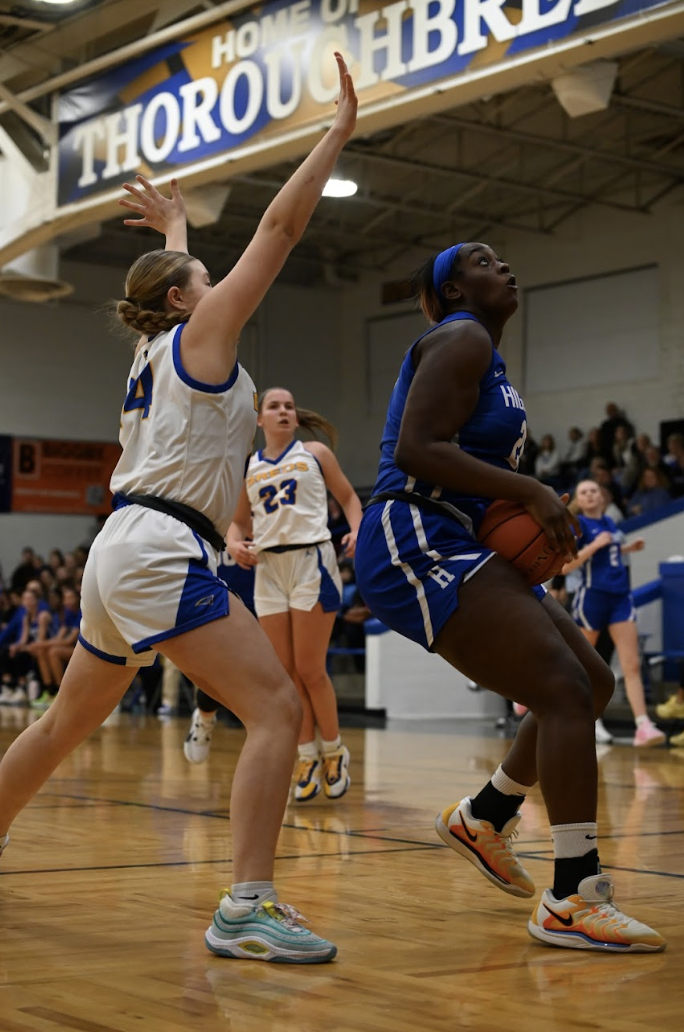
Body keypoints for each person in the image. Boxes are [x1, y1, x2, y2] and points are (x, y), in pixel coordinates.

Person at [0, 52, 357, 965]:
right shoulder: (200, 336)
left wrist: (176, 222)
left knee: (63, 722)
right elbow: (279, 229)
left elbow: (178, 274)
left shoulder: (157, 354)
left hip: (123, 544)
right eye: (199, 276)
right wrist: (335, 135)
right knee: (276, 706)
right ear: (181, 300)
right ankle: (247, 903)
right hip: (162, 546)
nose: (215, 287)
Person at [354, 240, 665, 952]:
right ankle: (572, 896)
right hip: (415, 531)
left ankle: (487, 814)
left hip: (459, 534)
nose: (506, 266)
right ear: (456, 290)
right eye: (485, 261)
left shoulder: (486, 359)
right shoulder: (459, 336)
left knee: (588, 680)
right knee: (559, 688)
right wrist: (529, 489)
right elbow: (414, 449)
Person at [221, 387, 362, 802]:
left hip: (311, 563)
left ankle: (334, 750)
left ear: (295, 418)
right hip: (268, 569)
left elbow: (351, 498)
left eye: (288, 406)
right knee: (284, 674)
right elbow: (237, 523)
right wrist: (233, 543)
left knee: (309, 669)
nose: (283, 411)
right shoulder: (251, 466)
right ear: (259, 420)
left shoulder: (315, 453)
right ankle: (305, 755)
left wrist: (357, 528)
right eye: (274, 406)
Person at [563, 479, 664, 748]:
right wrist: (594, 546)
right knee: (581, 664)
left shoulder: (609, 522)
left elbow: (609, 552)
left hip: (620, 596)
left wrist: (627, 548)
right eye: (584, 492)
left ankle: (643, 725)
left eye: (594, 490)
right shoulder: (579, 525)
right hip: (592, 596)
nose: (590, 495)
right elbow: (565, 566)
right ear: (579, 500)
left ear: (602, 496)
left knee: (631, 663)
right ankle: (576, 716)